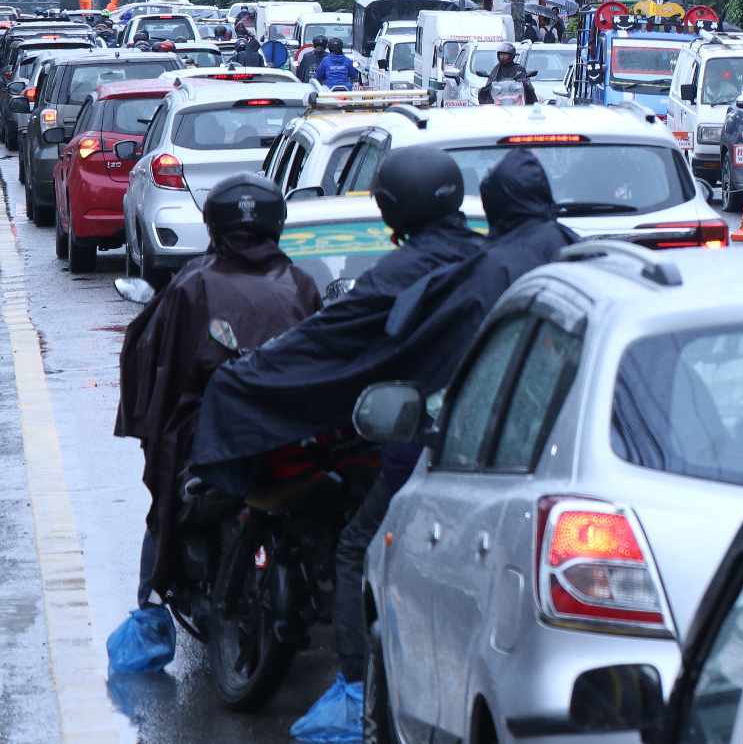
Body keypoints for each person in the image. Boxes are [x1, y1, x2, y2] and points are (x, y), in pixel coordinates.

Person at [193, 148, 575, 743]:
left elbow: (330, 339)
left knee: (357, 549)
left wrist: (245, 381)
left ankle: (353, 693)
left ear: (393, 208)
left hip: (429, 437)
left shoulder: (436, 271)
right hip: (515, 442)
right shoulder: (513, 254)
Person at [115, 174, 320, 611]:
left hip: (221, 440)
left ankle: (150, 612)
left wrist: (156, 429)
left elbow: (161, 371)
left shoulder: (192, 284)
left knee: (163, 514)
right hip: (285, 433)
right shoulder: (299, 283)